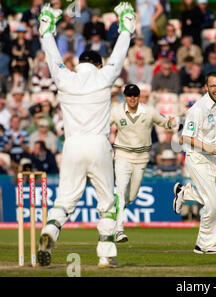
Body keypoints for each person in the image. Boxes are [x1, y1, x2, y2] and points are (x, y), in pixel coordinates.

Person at [36, 3, 136, 268]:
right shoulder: (104, 76)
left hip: (72, 145)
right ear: (98, 64)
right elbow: (121, 51)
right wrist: (125, 23)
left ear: (79, 63)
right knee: (107, 202)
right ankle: (105, 255)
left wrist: (47, 28)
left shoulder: (65, 78)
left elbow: (51, 54)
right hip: (98, 144)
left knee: (65, 200)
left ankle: (49, 232)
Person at [173, 72, 216, 254]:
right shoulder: (197, 109)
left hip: (214, 159)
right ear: (206, 88)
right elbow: (185, 137)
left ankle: (185, 193)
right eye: (213, 86)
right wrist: (209, 148)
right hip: (198, 158)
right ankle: (204, 244)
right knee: (213, 204)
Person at [111, 84, 175, 242]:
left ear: (139, 97)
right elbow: (103, 126)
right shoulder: (116, 111)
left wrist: (171, 122)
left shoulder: (149, 111)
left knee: (130, 196)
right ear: (124, 97)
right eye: (129, 95)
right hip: (122, 155)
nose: (132, 98)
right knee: (120, 189)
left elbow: (164, 122)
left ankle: (111, 212)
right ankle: (119, 230)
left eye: (135, 95)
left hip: (141, 159)